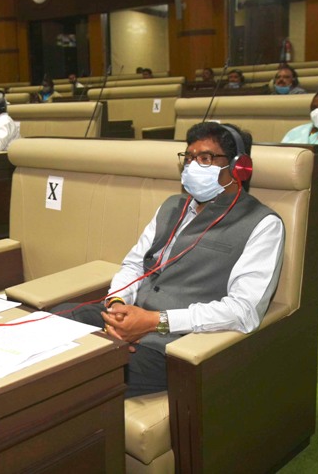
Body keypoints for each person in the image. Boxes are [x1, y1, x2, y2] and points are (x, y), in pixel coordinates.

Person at [58, 122, 284, 397]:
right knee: (50, 323)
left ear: (239, 167)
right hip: (130, 315)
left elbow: (244, 311)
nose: (192, 166)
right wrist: (118, 307)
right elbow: (133, 264)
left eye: (205, 158)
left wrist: (155, 321)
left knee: (71, 374)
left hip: (172, 344)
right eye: (189, 158)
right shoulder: (171, 207)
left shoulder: (263, 224)